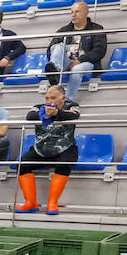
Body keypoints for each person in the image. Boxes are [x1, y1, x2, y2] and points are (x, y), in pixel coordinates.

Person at [16, 84, 80, 215]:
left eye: (53, 98)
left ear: (62, 98)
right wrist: (51, 114)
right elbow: (30, 116)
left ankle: (52, 203)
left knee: (65, 164)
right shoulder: (39, 107)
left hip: (65, 147)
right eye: (47, 98)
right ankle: (31, 203)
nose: (49, 101)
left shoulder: (72, 105)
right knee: (22, 165)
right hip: (42, 147)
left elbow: (73, 117)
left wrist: (56, 113)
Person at [46, 1, 107, 103]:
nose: (73, 15)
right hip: (66, 62)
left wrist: (80, 59)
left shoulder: (96, 29)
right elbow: (50, 50)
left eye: (77, 12)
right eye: (72, 12)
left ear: (86, 12)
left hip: (86, 62)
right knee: (56, 47)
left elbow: (99, 51)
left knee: (77, 69)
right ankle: (55, 72)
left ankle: (67, 100)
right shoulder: (64, 31)